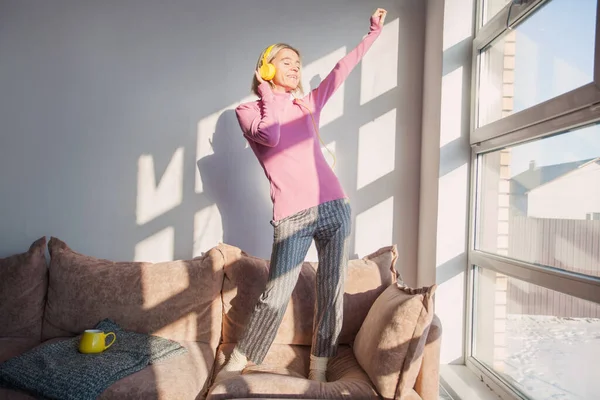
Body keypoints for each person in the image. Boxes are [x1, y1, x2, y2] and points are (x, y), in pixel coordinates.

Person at [220, 7, 387, 383]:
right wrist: (267, 91)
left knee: (332, 290)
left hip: (334, 207)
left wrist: (372, 34)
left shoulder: (306, 104)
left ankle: (321, 367)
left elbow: (339, 72)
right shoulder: (247, 111)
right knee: (276, 293)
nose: (295, 67)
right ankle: (239, 361)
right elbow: (272, 135)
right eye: (286, 61)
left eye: (298, 62)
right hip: (292, 215)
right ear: (265, 68)